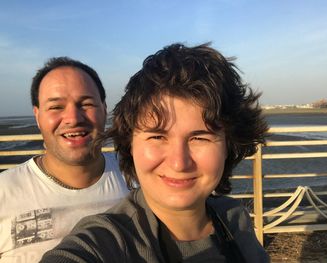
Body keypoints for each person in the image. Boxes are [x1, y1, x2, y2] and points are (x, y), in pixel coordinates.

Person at [41, 43, 270, 262]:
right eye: (158, 137)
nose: (179, 163)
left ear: (228, 146)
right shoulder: (108, 241)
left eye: (199, 137)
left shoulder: (234, 218)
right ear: (130, 143)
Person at [0, 57, 129, 262]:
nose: (73, 118)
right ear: (37, 116)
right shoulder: (4, 192)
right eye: (56, 107)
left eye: (86, 104)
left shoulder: (137, 178)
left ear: (104, 109)